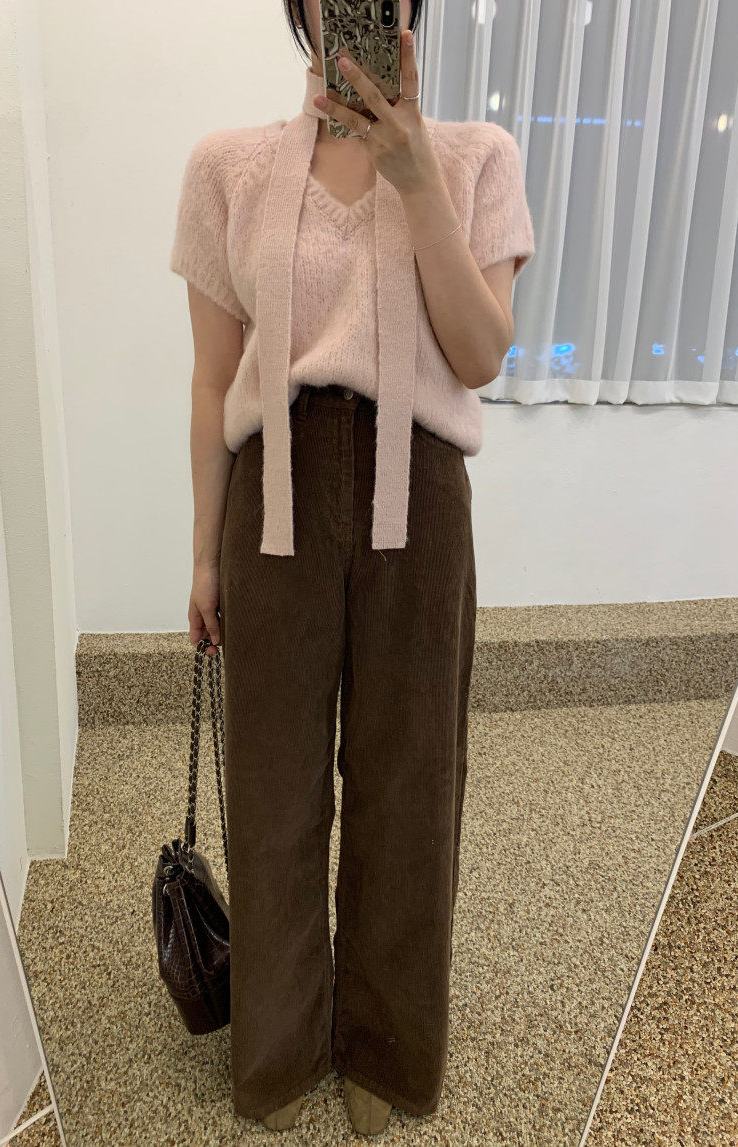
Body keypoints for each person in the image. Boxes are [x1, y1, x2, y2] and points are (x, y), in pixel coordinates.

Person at [169, 0, 535, 1133]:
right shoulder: (226, 166)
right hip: (270, 493)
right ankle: (278, 1050)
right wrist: (202, 555)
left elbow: (478, 355)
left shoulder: (475, 157)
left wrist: (414, 176)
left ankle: (385, 1047)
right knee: (273, 789)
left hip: (419, 494)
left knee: (411, 783)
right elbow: (210, 378)